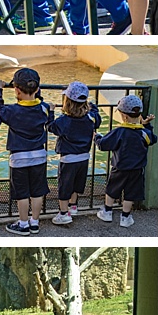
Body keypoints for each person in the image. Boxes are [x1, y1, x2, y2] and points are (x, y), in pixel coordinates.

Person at [0, 68, 53, 235]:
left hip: (19, 157)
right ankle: (35, 222)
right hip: (39, 156)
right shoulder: (45, 108)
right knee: (38, 190)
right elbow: (45, 109)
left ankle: (23, 223)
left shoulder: (12, 111)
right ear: (38, 89)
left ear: (16, 90)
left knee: (22, 193)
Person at [95, 94, 156, 228]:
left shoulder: (120, 132)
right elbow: (152, 140)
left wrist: (97, 137)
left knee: (112, 189)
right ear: (139, 115)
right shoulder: (143, 133)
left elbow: (104, 145)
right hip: (137, 169)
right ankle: (125, 217)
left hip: (119, 167)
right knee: (131, 193)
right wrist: (147, 125)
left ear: (124, 116)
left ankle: (107, 212)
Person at [49, 81, 102, 224]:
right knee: (77, 184)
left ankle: (63, 213)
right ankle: (73, 206)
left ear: (67, 101)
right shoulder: (91, 117)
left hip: (68, 159)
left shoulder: (64, 120)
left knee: (64, 186)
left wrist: (51, 112)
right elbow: (97, 119)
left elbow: (51, 127)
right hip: (84, 157)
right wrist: (92, 106)